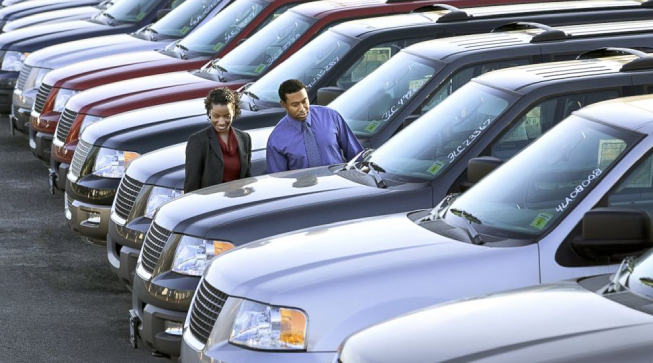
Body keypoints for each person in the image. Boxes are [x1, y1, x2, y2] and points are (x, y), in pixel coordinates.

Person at [266, 79, 363, 173]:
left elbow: (356, 155)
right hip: (304, 189)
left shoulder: (330, 116)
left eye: (304, 101)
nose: (302, 109)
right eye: (295, 105)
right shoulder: (277, 138)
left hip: (338, 183)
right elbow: (278, 179)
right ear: (284, 104)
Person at [184, 87, 252, 193]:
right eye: (216, 116)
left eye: (226, 116)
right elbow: (191, 184)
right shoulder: (198, 141)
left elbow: (247, 176)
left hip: (237, 203)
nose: (221, 122)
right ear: (209, 113)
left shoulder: (245, 138)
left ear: (233, 112)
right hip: (211, 205)